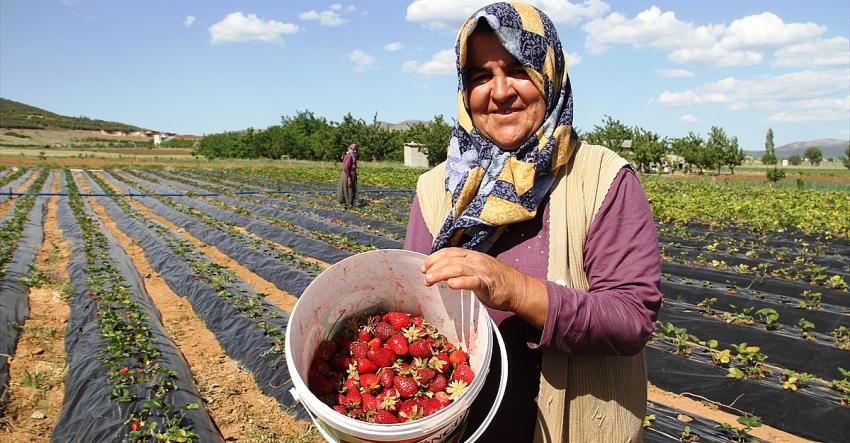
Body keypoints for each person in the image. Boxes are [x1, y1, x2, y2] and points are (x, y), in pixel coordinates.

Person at [403, 3, 662, 442]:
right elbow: (415, 311)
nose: (499, 91)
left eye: (517, 69)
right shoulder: (437, 189)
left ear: (550, 73)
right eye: (479, 76)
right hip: (462, 428)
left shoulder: (601, 178)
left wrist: (514, 289)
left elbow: (631, 317)